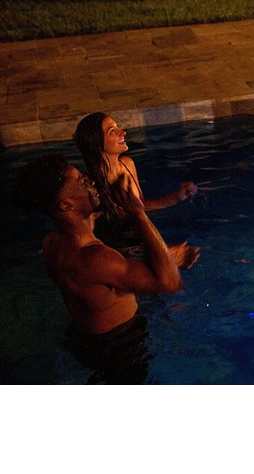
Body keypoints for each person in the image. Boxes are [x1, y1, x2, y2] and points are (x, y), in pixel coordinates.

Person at [13, 154, 191, 383]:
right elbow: (169, 282)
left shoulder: (52, 243)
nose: (90, 180)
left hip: (84, 337)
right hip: (122, 347)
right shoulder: (95, 258)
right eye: (82, 182)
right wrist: (138, 214)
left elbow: (91, 223)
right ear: (66, 205)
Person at [75, 112, 199, 265]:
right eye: (112, 131)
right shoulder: (90, 187)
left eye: (118, 127)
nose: (123, 132)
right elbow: (91, 244)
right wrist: (164, 257)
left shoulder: (127, 165)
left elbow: (140, 206)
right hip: (119, 256)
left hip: (142, 240)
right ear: (95, 144)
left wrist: (176, 197)